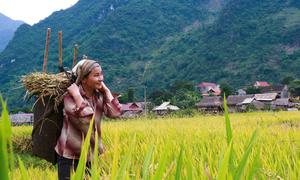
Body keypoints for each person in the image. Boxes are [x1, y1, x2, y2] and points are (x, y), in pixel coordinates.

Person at [55, 59, 121, 180]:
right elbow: (87, 119)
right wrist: (76, 95)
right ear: (84, 79)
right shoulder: (70, 97)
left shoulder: (100, 96)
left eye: (101, 74)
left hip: (91, 154)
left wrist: (106, 91)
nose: (101, 78)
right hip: (70, 155)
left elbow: (115, 113)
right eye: (96, 75)